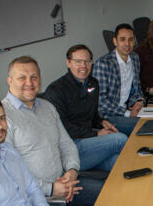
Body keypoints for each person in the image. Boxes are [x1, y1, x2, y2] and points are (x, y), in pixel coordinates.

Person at [2, 55, 103, 206]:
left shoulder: (47, 107)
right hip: (37, 198)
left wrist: (72, 171)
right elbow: (9, 171)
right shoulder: (2, 117)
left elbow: (66, 144)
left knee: (110, 194)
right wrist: (50, 189)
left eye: (34, 77)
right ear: (10, 81)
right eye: (22, 78)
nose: (29, 83)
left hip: (66, 183)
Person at [41, 44, 127, 173]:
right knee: (120, 139)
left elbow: (93, 116)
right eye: (78, 61)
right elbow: (62, 129)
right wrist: (96, 134)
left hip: (88, 143)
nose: (83, 66)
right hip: (71, 149)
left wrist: (102, 122)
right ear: (68, 63)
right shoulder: (56, 90)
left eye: (87, 61)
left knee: (119, 162)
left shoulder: (93, 83)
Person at [93, 23, 144, 136]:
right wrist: (127, 113)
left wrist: (139, 102)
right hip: (108, 116)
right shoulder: (103, 64)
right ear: (115, 41)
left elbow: (137, 89)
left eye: (130, 39)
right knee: (143, 126)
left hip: (128, 110)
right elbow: (100, 101)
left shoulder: (135, 58)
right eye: (122, 39)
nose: (127, 43)